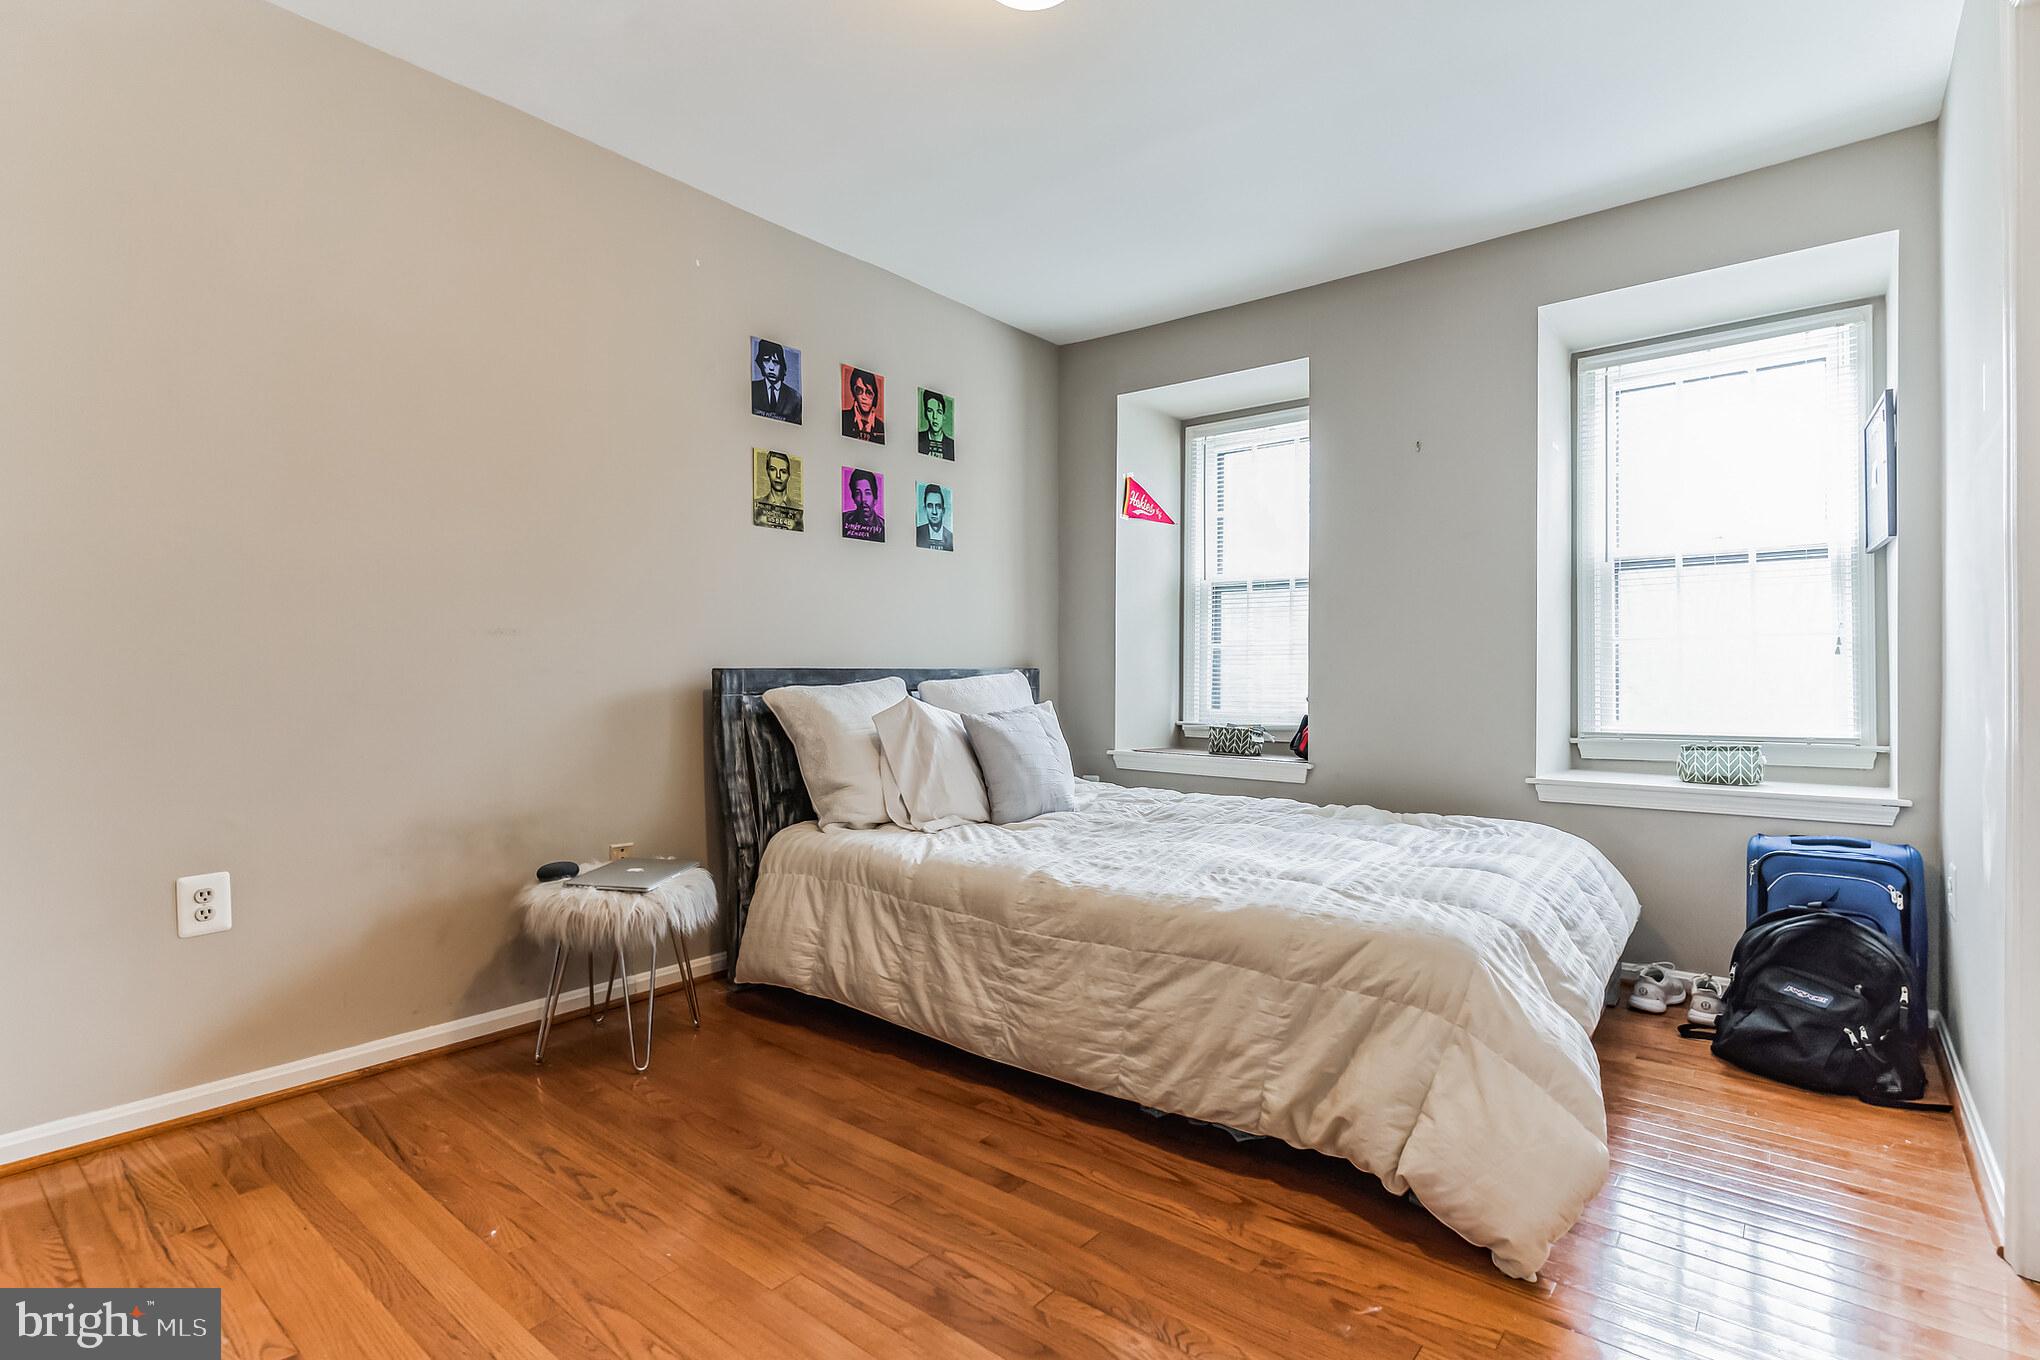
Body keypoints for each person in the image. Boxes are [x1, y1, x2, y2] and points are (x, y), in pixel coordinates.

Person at [751, 340, 801, 423]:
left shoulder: (795, 398)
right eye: (766, 360)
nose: (771, 367)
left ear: (782, 365)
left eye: (775, 362)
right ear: (761, 363)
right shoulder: (753, 389)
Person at [752, 449, 802, 531]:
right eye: (773, 469)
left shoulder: (799, 508)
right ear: (767, 472)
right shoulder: (757, 505)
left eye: (783, 471)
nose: (778, 475)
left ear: (789, 475)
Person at [841, 367, 884, 442]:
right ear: (853, 392)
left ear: (874, 396)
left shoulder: (881, 427)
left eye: (869, 393)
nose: (864, 397)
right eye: (859, 390)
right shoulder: (843, 418)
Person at [841, 467, 884, 541]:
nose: (863, 499)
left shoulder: (883, 526)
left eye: (868, 493)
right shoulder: (845, 520)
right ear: (853, 498)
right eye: (858, 493)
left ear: (875, 498)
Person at [918, 390, 955, 459]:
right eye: (930, 411)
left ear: (943, 416)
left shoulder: (951, 445)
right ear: (925, 414)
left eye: (939, 412)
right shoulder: (918, 438)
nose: (935, 417)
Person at [916, 484, 953, 551]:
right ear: (925, 509)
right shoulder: (918, 533)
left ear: (943, 510)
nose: (934, 512)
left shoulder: (951, 536)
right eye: (930, 506)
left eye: (938, 506)